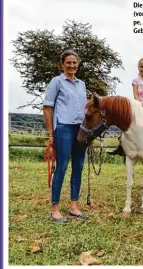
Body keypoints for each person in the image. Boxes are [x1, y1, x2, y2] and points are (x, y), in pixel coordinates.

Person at [43, 50, 88, 222]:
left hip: (80, 129)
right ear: (62, 64)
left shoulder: (81, 84)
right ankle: (54, 208)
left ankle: (74, 206)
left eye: (74, 62)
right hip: (63, 128)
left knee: (78, 166)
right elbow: (47, 107)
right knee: (61, 167)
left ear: (78, 64)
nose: (72, 65)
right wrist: (51, 133)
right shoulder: (56, 82)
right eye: (68, 62)